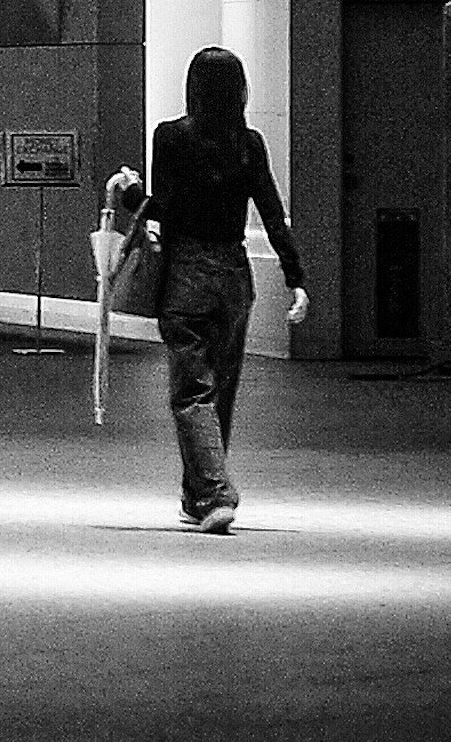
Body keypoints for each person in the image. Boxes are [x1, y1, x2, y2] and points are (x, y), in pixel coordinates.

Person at [116, 46, 310, 532]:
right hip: (234, 277)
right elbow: (271, 209)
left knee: (191, 393)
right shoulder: (250, 143)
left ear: (193, 88)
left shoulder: (171, 137)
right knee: (220, 391)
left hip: (187, 273)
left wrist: (129, 195)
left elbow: (167, 210)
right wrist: (296, 279)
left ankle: (217, 492)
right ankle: (196, 496)